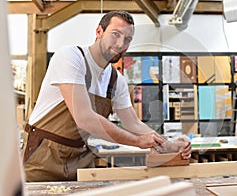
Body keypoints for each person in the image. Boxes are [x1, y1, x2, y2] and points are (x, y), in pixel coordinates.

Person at [22, 10, 192, 182]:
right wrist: (138, 141)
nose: (120, 44)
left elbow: (132, 122)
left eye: (127, 39)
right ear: (99, 32)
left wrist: (169, 145)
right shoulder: (71, 57)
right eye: (115, 34)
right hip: (44, 154)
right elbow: (84, 118)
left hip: (80, 158)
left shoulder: (116, 80)